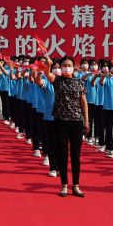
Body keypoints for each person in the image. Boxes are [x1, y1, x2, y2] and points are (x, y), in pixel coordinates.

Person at [42, 56, 89, 197]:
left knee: (76, 155)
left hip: (76, 121)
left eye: (69, 65)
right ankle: (64, 185)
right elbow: (47, 74)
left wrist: (86, 121)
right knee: (62, 153)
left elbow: (83, 102)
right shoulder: (57, 81)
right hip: (60, 121)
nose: (66, 67)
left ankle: (76, 185)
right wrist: (48, 65)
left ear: (74, 67)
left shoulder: (79, 82)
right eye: (64, 65)